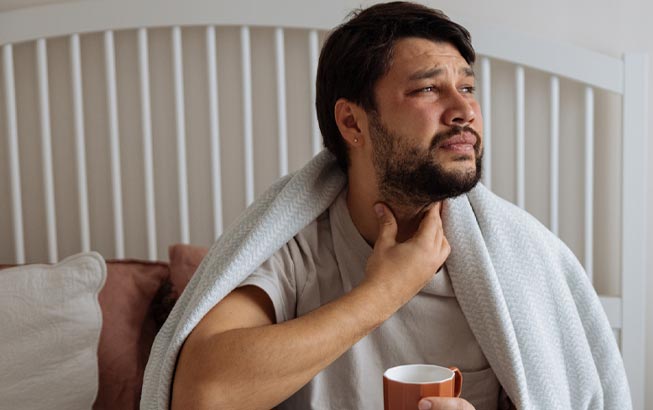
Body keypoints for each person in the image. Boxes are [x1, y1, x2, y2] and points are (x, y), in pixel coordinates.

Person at [164, 2, 627, 410]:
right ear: (352, 122)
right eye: (428, 89)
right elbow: (201, 396)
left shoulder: (522, 261)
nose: (463, 110)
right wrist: (384, 292)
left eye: (467, 88)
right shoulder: (295, 246)